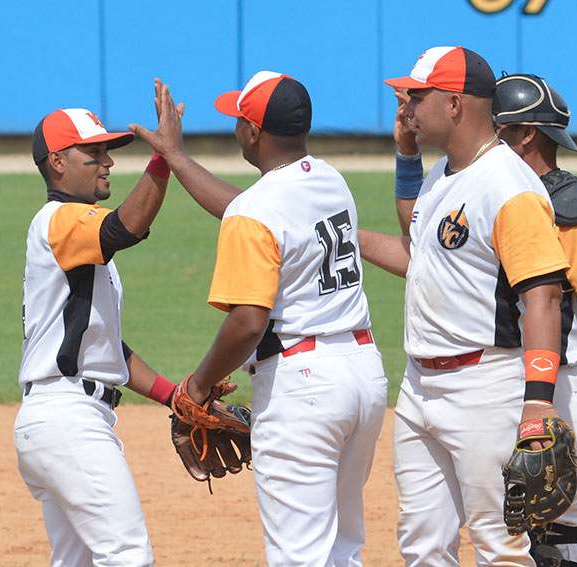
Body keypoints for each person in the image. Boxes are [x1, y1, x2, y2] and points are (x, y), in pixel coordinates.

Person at [130, 72, 388, 567]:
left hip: (304, 389)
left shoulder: (258, 210)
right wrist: (178, 159)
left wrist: (197, 387)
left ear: (252, 133)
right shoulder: (330, 180)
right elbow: (250, 211)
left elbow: (248, 322)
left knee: (298, 556)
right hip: (363, 376)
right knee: (342, 549)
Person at [358, 46, 571, 567]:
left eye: (416, 95)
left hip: (485, 387)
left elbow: (542, 294)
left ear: (455, 104)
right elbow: (419, 247)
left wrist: (539, 402)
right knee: (423, 544)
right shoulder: (447, 173)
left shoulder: (506, 186)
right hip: (420, 386)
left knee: (501, 549)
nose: (404, 106)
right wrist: (348, 228)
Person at [14, 84, 184, 566]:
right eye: (92, 151)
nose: (106, 160)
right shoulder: (61, 219)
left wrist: (173, 394)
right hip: (68, 419)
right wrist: (164, 160)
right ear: (58, 161)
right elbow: (124, 228)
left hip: (60, 418)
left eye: (107, 150)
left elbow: (106, 347)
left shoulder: (75, 237)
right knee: (128, 555)